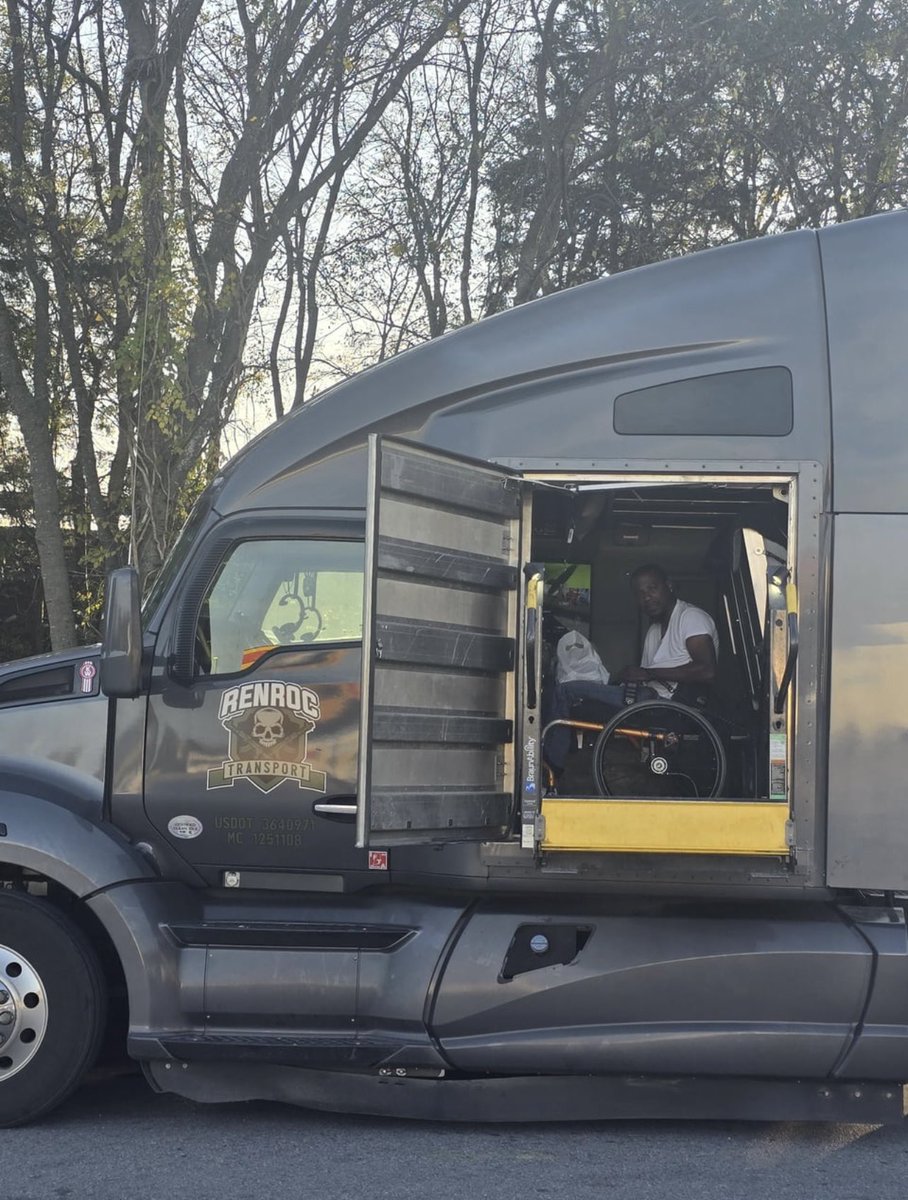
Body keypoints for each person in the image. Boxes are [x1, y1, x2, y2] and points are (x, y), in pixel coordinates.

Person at [543, 564, 718, 777]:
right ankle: (565, 759)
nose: (647, 598)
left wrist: (649, 673)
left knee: (565, 691)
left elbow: (707, 671)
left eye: (652, 589)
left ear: (669, 586)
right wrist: (624, 678)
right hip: (647, 699)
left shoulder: (690, 618)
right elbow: (646, 675)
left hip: (667, 705)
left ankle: (551, 768)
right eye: (640, 593)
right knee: (573, 696)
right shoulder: (654, 630)